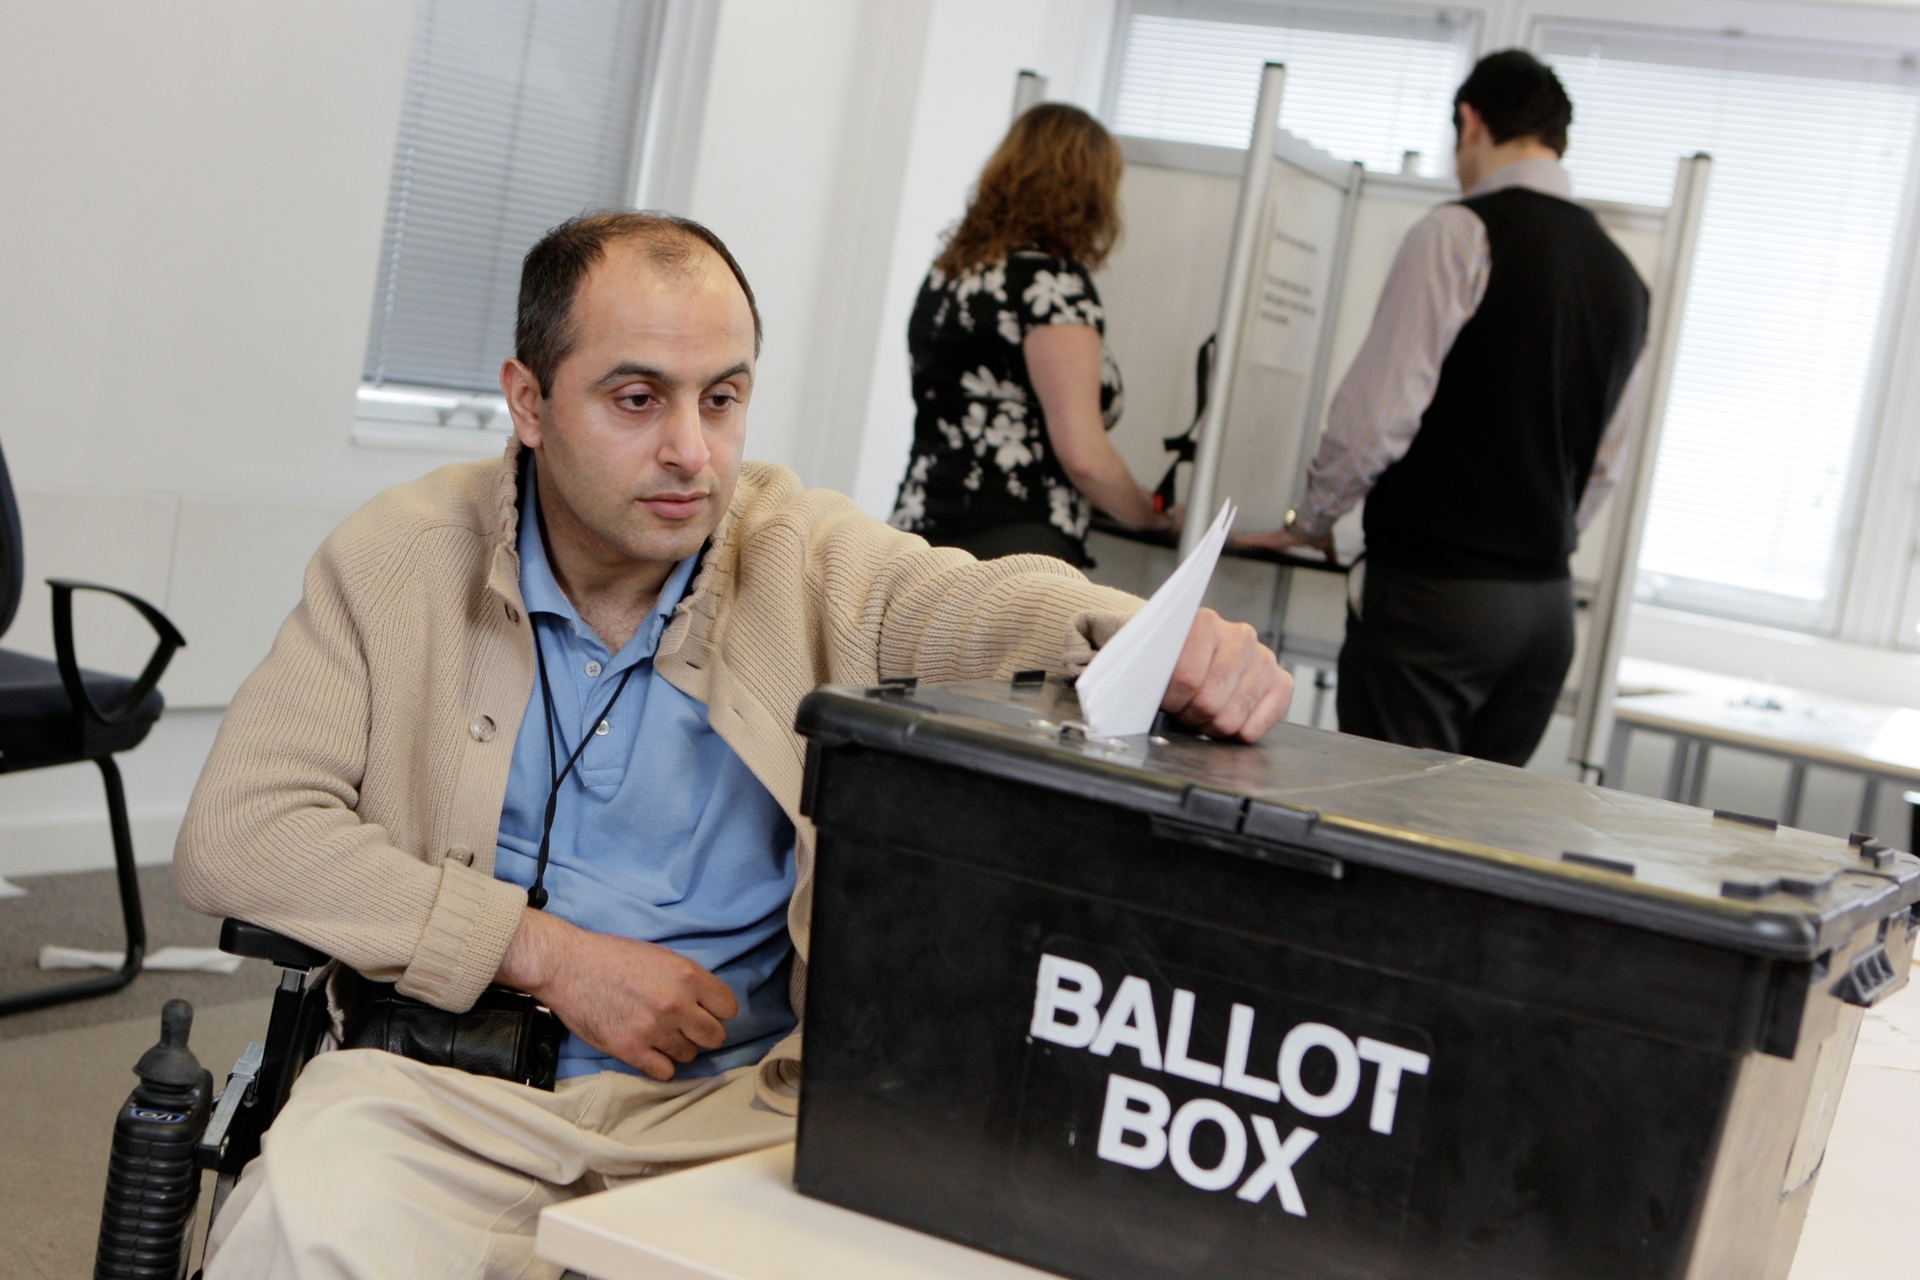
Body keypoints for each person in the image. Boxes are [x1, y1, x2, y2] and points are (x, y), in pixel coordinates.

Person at [175, 210, 1292, 1279]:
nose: (689, 451)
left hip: (736, 1109)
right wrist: (554, 956)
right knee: (302, 1230)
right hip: (435, 1094)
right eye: (636, 398)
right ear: (527, 400)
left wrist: (1144, 637)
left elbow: (968, 604)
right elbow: (242, 831)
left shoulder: (798, 553)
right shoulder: (399, 556)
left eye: (722, 399)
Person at [1237, 49, 1647, 767]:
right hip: (1545, 616)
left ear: (1469, 122)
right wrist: (1527, 535)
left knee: (1381, 825)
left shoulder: (1458, 233)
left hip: (1438, 604)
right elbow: (1606, 466)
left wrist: (1315, 518)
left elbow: (1376, 417)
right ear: (1560, 138)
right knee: (1467, 845)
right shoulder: (1623, 277)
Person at [889, 103, 1171, 567]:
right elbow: (1085, 457)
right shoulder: (1052, 286)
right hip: (1015, 545)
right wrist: (1151, 514)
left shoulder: (949, 276)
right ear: (1089, 192)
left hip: (916, 538)